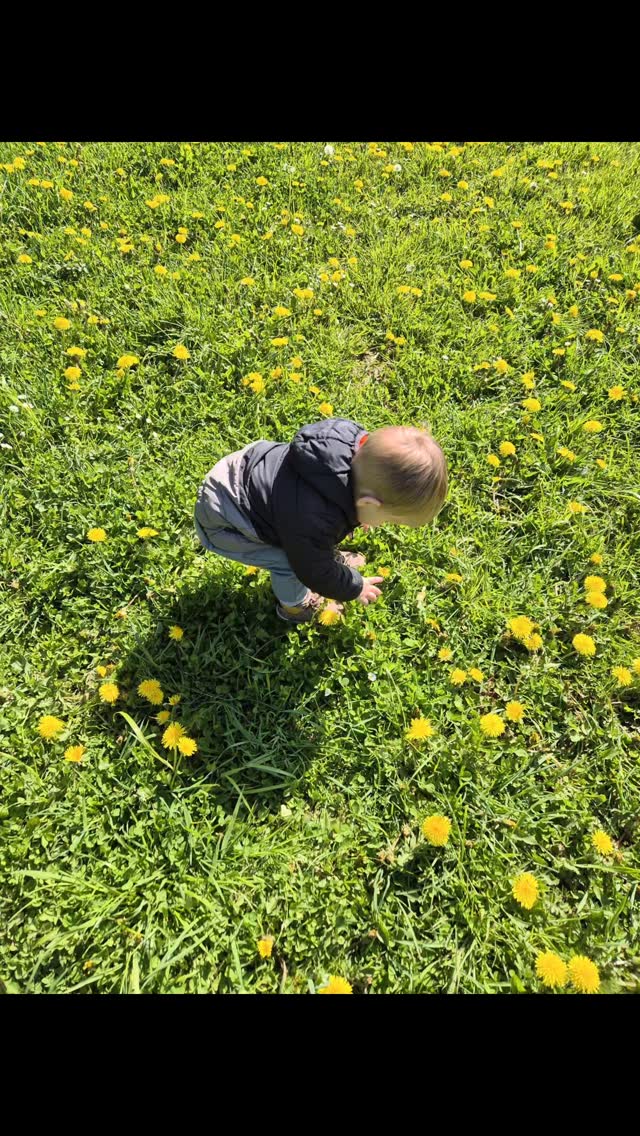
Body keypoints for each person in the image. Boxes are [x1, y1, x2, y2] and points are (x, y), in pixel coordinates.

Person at [194, 418, 448, 624]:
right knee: (291, 561)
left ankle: (322, 552)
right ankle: (294, 608)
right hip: (225, 517)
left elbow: (340, 499)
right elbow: (312, 571)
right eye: (389, 519)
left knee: (308, 542)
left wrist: (359, 515)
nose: (384, 525)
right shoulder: (314, 518)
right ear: (368, 503)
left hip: (243, 468)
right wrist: (353, 586)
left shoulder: (351, 446)